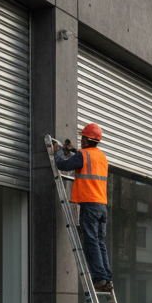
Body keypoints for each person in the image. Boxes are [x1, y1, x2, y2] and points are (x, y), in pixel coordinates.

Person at [55, 124, 112, 292]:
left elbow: (63, 165)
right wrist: (74, 151)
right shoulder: (102, 157)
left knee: (91, 241)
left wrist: (58, 151)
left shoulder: (83, 155)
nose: (81, 141)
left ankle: (99, 278)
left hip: (90, 205)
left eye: (82, 138)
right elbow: (86, 162)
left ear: (87, 140)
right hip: (101, 206)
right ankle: (106, 278)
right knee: (100, 242)